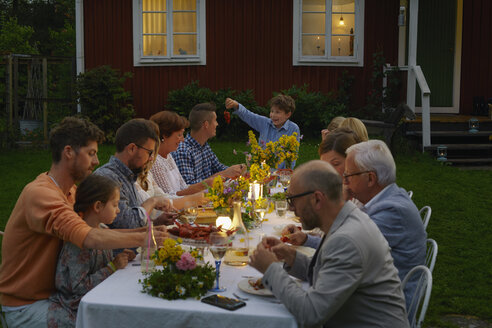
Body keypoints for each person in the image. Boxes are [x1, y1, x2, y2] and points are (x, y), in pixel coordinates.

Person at [0, 117, 167, 328]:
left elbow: (97, 229)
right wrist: (145, 237)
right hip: (28, 305)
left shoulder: (71, 192)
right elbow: (89, 236)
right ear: (69, 152)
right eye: (91, 153)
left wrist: (148, 229)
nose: (97, 161)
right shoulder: (41, 194)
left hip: (59, 296)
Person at [249, 160, 409, 327]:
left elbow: (310, 314)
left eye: (292, 200)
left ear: (317, 199)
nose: (291, 209)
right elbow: (328, 271)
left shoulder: (346, 240)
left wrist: (271, 269)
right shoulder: (346, 219)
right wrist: (291, 257)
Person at [344, 140, 426, 308]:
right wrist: (307, 240)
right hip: (375, 289)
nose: (344, 182)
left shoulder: (392, 211)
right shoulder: (386, 197)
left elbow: (345, 248)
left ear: (370, 178)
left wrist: (333, 207)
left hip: (387, 307)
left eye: (348, 176)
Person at [47, 174, 136, 327]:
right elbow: (77, 288)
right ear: (97, 207)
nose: (118, 211)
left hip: (95, 300)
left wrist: (120, 256)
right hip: (74, 310)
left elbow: (99, 264)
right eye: (114, 205)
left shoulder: (101, 229)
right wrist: (112, 267)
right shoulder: (79, 244)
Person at [283, 127, 361, 246]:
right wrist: (305, 238)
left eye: (335, 164)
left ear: (351, 161)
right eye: (324, 164)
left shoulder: (359, 201)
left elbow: (339, 246)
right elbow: (328, 238)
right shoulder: (335, 190)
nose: (327, 171)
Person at [94, 118, 174, 232]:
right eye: (149, 152)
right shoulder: (108, 178)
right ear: (132, 148)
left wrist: (155, 223)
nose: (151, 158)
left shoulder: (127, 175)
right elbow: (127, 223)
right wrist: (153, 201)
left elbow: (128, 228)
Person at [172, 103, 245, 185]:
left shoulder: (204, 146)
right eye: (215, 120)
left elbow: (219, 168)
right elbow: (188, 186)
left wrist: (238, 170)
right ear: (206, 124)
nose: (217, 124)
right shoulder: (183, 151)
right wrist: (224, 174)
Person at [149, 110, 214, 196]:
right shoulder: (155, 162)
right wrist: (202, 186)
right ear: (165, 135)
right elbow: (169, 197)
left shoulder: (168, 156)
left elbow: (183, 187)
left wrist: (204, 184)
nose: (183, 139)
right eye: (179, 135)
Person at [225, 95, 300, 168]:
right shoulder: (265, 123)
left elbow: (293, 154)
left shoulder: (293, 129)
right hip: (261, 170)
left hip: (280, 172)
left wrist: (287, 172)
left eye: (277, 112)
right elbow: (249, 116)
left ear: (288, 114)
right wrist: (236, 105)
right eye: (272, 111)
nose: (273, 115)